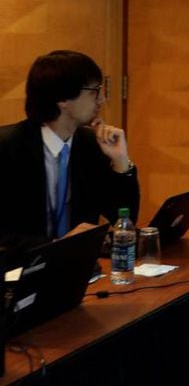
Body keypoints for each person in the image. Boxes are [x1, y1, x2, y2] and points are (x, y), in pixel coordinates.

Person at [0, 50, 139, 268]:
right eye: (94, 91)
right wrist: (57, 245)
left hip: (79, 271)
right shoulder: (8, 147)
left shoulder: (89, 145)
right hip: (21, 272)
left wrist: (121, 161)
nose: (102, 99)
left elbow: (124, 218)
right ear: (63, 98)